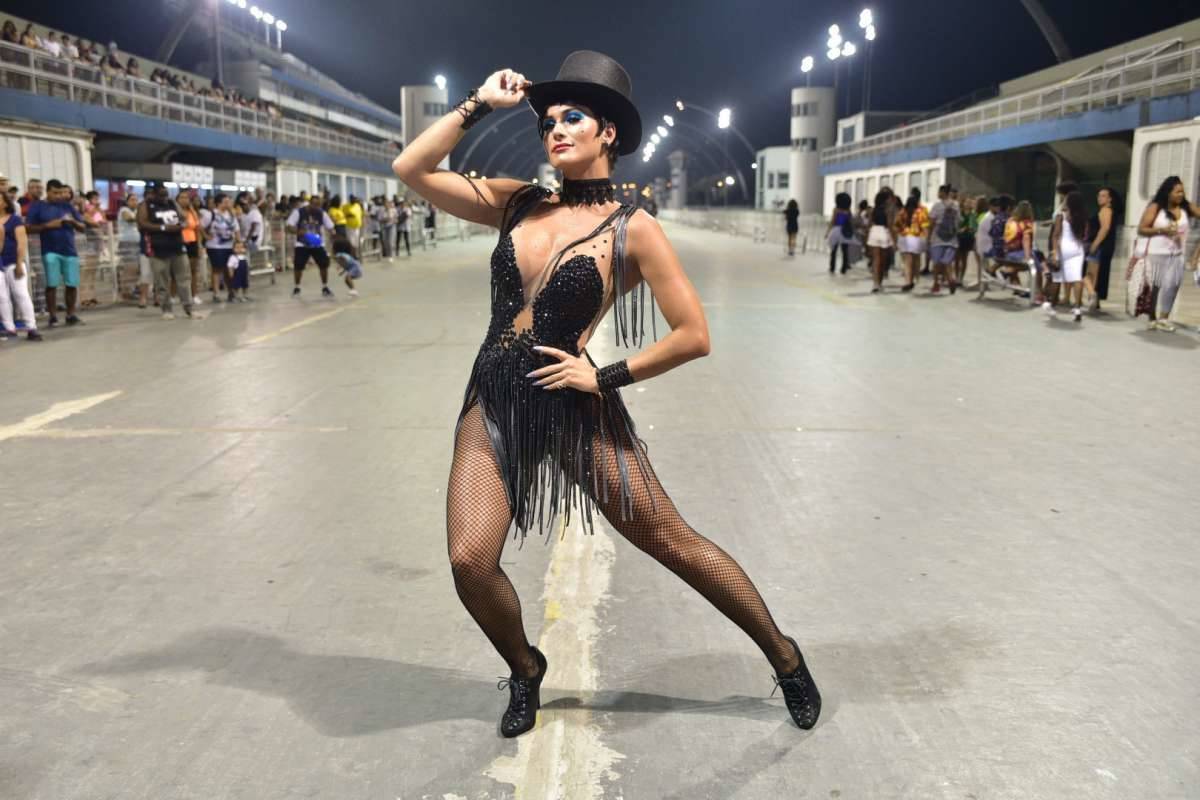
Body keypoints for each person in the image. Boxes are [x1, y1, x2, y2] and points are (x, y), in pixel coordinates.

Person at [391, 54, 821, 739]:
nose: (554, 130)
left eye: (572, 118)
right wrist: (478, 103)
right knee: (470, 560)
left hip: (575, 401)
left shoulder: (633, 228)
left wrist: (604, 376)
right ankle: (526, 667)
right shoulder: (517, 202)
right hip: (494, 397)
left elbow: (694, 334)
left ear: (609, 132)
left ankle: (785, 655)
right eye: (548, 121)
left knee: (669, 539)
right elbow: (411, 170)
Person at [1133, 176, 1200, 331]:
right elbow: (1141, 229)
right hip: (1156, 254)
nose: (1181, 195)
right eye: (1177, 192)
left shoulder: (1185, 207)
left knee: (1172, 286)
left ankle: (1164, 318)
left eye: (1182, 191)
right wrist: (1162, 230)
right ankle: (1152, 317)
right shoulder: (1156, 207)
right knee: (1154, 287)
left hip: (1177, 254)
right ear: (1168, 192)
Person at [25, 178, 94, 326]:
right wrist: (47, 225)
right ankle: (53, 316)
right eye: (55, 193)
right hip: (49, 250)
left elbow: (83, 227)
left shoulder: (68, 207)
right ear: (48, 191)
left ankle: (71, 314)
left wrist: (73, 222)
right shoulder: (38, 206)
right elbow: (27, 228)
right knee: (52, 284)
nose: (58, 196)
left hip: (69, 250)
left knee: (71, 284)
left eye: (60, 193)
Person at [138, 181, 201, 320]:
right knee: (162, 281)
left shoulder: (172, 203)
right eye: (161, 195)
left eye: (166, 195)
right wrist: (163, 228)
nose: (164, 198)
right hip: (157, 248)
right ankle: (166, 309)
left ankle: (189, 308)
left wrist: (181, 225)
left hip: (177, 246)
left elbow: (184, 218)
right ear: (153, 194)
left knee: (184, 278)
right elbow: (142, 223)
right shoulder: (146, 205)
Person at [0, 191, 43, 341]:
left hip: (13, 261)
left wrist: (19, 263)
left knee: (21, 294)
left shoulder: (15, 220)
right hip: (0, 264)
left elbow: (22, 243)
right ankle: (9, 328)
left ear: (6, 203)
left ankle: (32, 327)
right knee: (2, 297)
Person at [1048, 190, 1088, 322]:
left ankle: (1052, 307)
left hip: (1063, 248)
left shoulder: (1062, 215)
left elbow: (1056, 235)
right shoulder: (1083, 216)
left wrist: (1054, 251)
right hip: (1078, 249)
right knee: (1077, 278)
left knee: (1057, 278)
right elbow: (1085, 236)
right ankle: (1077, 308)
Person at [286, 194, 336, 298]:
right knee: (298, 266)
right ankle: (297, 287)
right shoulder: (299, 212)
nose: (316, 207)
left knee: (324, 264)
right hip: (302, 244)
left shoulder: (321, 213)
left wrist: (333, 232)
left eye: (318, 205)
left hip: (317, 244)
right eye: (314, 204)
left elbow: (330, 226)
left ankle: (325, 287)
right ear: (310, 203)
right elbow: (289, 226)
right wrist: (299, 231)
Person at [1084, 187, 1120, 313]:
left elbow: (1105, 228)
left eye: (1103, 196)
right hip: (1104, 247)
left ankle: (1092, 295)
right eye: (1099, 195)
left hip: (1099, 247)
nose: (1099, 198)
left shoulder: (1105, 210)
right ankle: (1095, 302)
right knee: (1095, 276)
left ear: (1110, 198)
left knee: (1087, 275)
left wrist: (1094, 244)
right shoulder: (1109, 211)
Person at [200, 192, 239, 303]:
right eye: (226, 201)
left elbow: (236, 229)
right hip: (215, 246)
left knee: (229, 269)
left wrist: (239, 241)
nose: (228, 203)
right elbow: (200, 226)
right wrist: (206, 236)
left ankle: (231, 292)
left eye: (229, 201)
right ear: (219, 203)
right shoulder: (211, 214)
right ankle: (216, 293)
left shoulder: (231, 215)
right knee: (217, 269)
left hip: (229, 246)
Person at [927, 184, 960, 294]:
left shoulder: (937, 206)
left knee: (936, 263)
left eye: (939, 192)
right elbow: (958, 221)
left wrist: (928, 237)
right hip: (952, 239)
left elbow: (931, 222)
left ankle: (936, 283)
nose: (938, 194)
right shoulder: (956, 205)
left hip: (938, 238)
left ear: (943, 193)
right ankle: (951, 278)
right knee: (948, 262)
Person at [895, 189, 929, 292]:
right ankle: (916, 278)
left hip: (904, 238)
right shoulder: (921, 211)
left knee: (907, 262)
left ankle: (908, 281)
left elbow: (896, 225)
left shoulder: (902, 212)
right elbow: (925, 226)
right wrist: (927, 238)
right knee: (917, 260)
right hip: (916, 238)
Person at [176, 190, 204, 304]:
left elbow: (197, 229)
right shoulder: (174, 212)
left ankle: (194, 295)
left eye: (186, 198)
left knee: (193, 271)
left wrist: (199, 245)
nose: (184, 200)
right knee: (177, 272)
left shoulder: (192, 212)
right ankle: (174, 295)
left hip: (192, 242)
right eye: (181, 197)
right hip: (179, 242)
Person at [866, 190, 894, 293]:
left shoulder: (872, 210)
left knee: (876, 260)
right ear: (885, 200)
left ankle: (875, 283)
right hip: (884, 232)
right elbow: (890, 225)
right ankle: (880, 283)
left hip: (874, 232)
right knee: (883, 261)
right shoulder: (888, 211)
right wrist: (894, 240)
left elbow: (869, 224)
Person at [826, 192, 853, 274]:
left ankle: (832, 267)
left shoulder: (836, 210)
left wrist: (827, 232)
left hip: (836, 230)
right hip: (845, 231)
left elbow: (833, 221)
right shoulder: (848, 211)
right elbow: (851, 221)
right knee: (845, 251)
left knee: (833, 250)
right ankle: (844, 268)